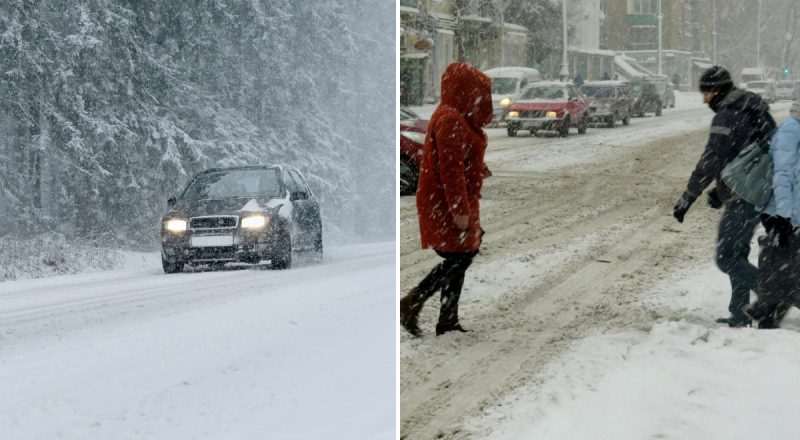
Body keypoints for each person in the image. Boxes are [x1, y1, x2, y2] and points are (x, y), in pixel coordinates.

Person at [672, 65, 776, 328]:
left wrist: (689, 196)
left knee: (726, 257)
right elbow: (749, 158)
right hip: (759, 192)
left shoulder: (727, 116)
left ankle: (771, 296)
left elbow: (712, 159)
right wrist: (721, 190)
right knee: (738, 254)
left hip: (743, 196)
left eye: (706, 94)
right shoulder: (756, 110)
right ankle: (740, 313)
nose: (704, 99)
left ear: (718, 91)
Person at [399, 62, 492, 337]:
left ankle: (444, 318)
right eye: (477, 91)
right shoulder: (451, 117)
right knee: (460, 257)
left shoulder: (455, 115)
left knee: (462, 256)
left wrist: (478, 168)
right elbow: (449, 171)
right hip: (445, 203)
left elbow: (454, 159)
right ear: (465, 90)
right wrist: (459, 209)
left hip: (449, 201)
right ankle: (414, 303)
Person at [745, 99, 800, 328]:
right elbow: (782, 175)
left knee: (783, 262)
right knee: (780, 261)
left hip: (788, 212)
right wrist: (784, 216)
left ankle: (767, 310)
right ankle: (767, 311)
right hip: (780, 212)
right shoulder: (791, 131)